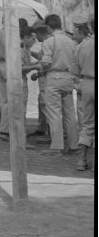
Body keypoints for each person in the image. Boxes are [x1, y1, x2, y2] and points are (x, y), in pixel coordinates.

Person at [39, 13, 78, 156]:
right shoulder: (71, 41)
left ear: (49, 27)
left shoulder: (49, 41)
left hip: (54, 78)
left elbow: (46, 61)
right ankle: (74, 145)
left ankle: (57, 146)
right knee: (69, 113)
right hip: (68, 77)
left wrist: (42, 70)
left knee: (54, 112)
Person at [72, 16, 95, 171]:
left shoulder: (83, 45)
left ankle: (81, 160)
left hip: (87, 84)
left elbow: (74, 70)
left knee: (87, 123)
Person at [28, 20, 51, 142]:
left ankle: (50, 133)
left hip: (46, 78)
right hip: (43, 77)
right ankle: (42, 128)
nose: (34, 37)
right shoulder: (46, 43)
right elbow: (42, 58)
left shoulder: (48, 43)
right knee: (41, 103)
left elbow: (47, 63)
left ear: (39, 32)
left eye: (35, 33)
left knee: (45, 105)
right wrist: (30, 52)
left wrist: (37, 70)